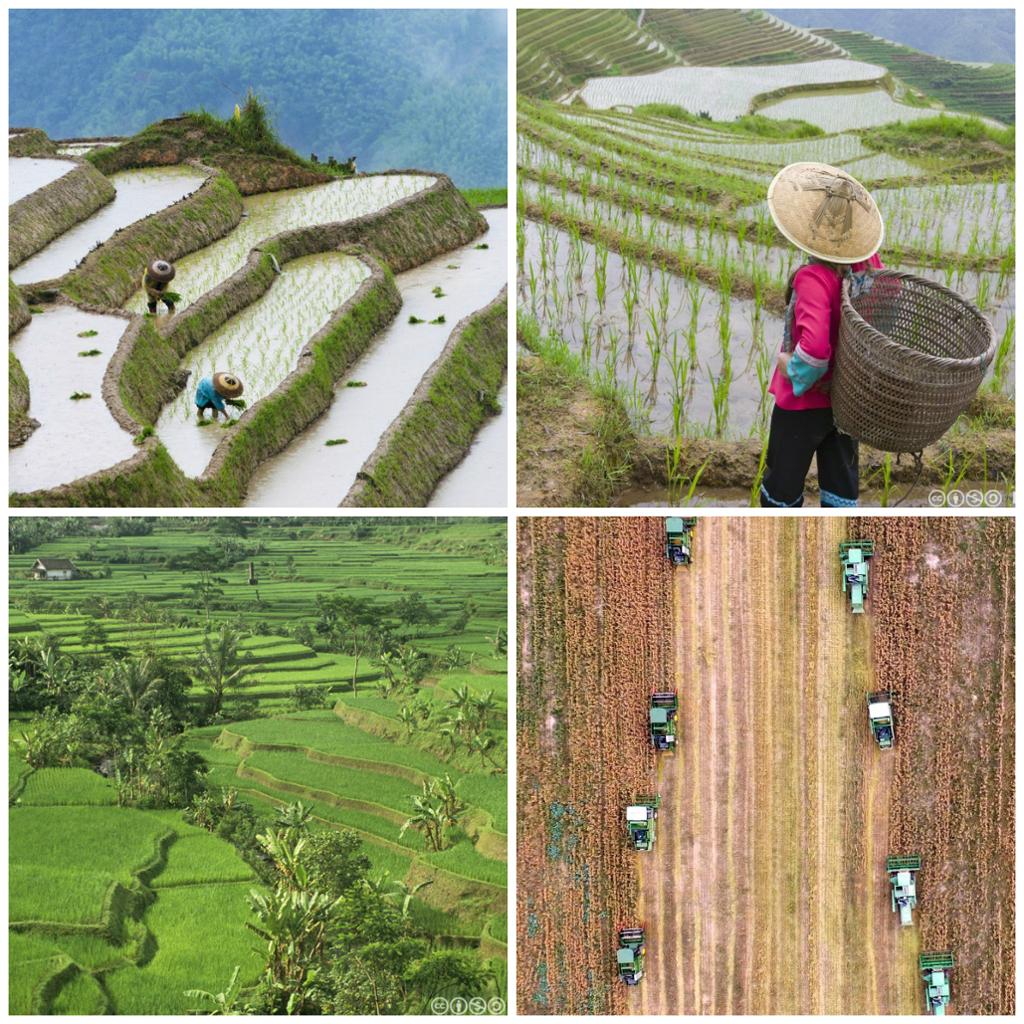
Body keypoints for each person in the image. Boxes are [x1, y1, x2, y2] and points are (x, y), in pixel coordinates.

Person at [760, 162, 885, 508]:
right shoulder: (866, 271)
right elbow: (885, 305)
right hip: (846, 402)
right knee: (841, 486)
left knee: (782, 486)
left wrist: (791, 367)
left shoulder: (813, 278)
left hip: (803, 405)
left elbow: (814, 351)